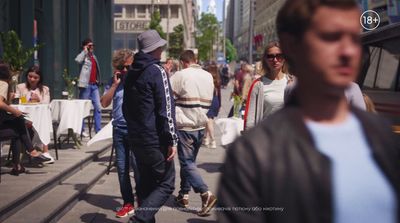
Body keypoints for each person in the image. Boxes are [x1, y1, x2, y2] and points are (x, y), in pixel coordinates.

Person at [218, 1, 399, 223]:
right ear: (293, 46)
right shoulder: (254, 154)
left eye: (354, 38)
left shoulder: (382, 139)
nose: (348, 51)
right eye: (331, 37)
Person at [123, 30, 178, 223]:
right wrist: (172, 139)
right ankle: (139, 219)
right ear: (154, 49)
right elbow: (167, 109)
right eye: (160, 46)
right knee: (166, 184)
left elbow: (126, 108)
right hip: (154, 140)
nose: (162, 49)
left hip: (137, 138)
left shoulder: (131, 72)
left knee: (145, 186)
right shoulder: (157, 71)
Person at [170, 50, 217, 216]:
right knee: (189, 163)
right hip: (200, 125)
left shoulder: (180, 75)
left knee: (186, 163)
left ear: (182, 62)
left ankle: (205, 193)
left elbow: (168, 99)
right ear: (195, 60)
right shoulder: (207, 76)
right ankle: (183, 194)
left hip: (185, 125)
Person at [100, 49, 138, 218]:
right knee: (122, 169)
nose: (124, 71)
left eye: (128, 67)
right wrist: (115, 85)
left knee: (138, 169)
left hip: (136, 130)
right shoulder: (114, 81)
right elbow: (104, 103)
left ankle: (143, 203)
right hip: (119, 129)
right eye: (121, 67)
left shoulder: (138, 80)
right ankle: (128, 203)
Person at [0, 62, 50, 176]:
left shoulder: (45, 89)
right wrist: (15, 111)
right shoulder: (3, 83)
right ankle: (31, 152)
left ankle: (21, 162)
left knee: (20, 122)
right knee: (19, 127)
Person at [243, 42, 291, 130]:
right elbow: (250, 119)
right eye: (270, 56)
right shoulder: (258, 85)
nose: (275, 60)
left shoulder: (292, 82)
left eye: (279, 56)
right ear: (265, 59)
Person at [14, 65, 54, 164]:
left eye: (35, 77)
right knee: (25, 124)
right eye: (30, 76)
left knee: (44, 121)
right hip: (25, 115)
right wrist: (25, 99)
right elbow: (18, 101)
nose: (32, 79)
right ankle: (25, 152)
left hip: (39, 116)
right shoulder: (20, 87)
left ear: (40, 79)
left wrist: (39, 99)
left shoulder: (44, 89)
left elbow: (46, 103)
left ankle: (45, 151)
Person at [75, 38, 102, 134]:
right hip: (85, 86)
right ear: (85, 46)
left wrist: (98, 80)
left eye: (92, 45)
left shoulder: (94, 57)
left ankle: (98, 130)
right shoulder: (84, 56)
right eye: (89, 46)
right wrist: (84, 51)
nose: (92, 47)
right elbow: (77, 60)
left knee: (98, 107)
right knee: (83, 108)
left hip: (94, 85)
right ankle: (81, 129)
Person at [202, 62, 221, 149]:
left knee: (209, 121)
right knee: (208, 120)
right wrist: (219, 103)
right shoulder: (217, 80)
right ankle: (206, 139)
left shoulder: (207, 79)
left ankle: (213, 140)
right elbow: (219, 93)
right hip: (215, 100)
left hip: (209, 100)